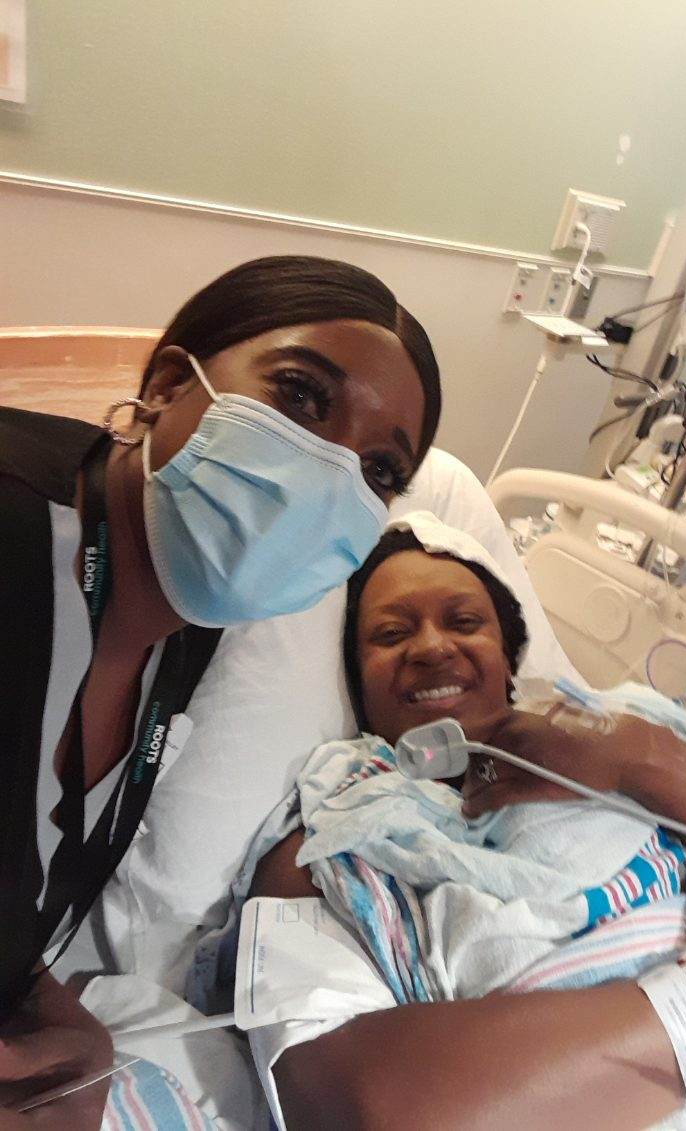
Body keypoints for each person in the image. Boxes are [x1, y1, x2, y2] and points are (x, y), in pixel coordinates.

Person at [0, 256, 441, 1127]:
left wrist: (59, 1020)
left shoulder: (190, 620)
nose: (327, 472)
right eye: (302, 397)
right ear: (169, 384)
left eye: (380, 470)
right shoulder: (16, 535)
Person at [251, 514, 686, 1130]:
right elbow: (345, 1102)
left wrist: (638, 762)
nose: (431, 647)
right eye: (392, 633)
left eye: (464, 622)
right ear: (358, 682)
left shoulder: (631, 727)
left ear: (508, 659)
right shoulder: (337, 832)